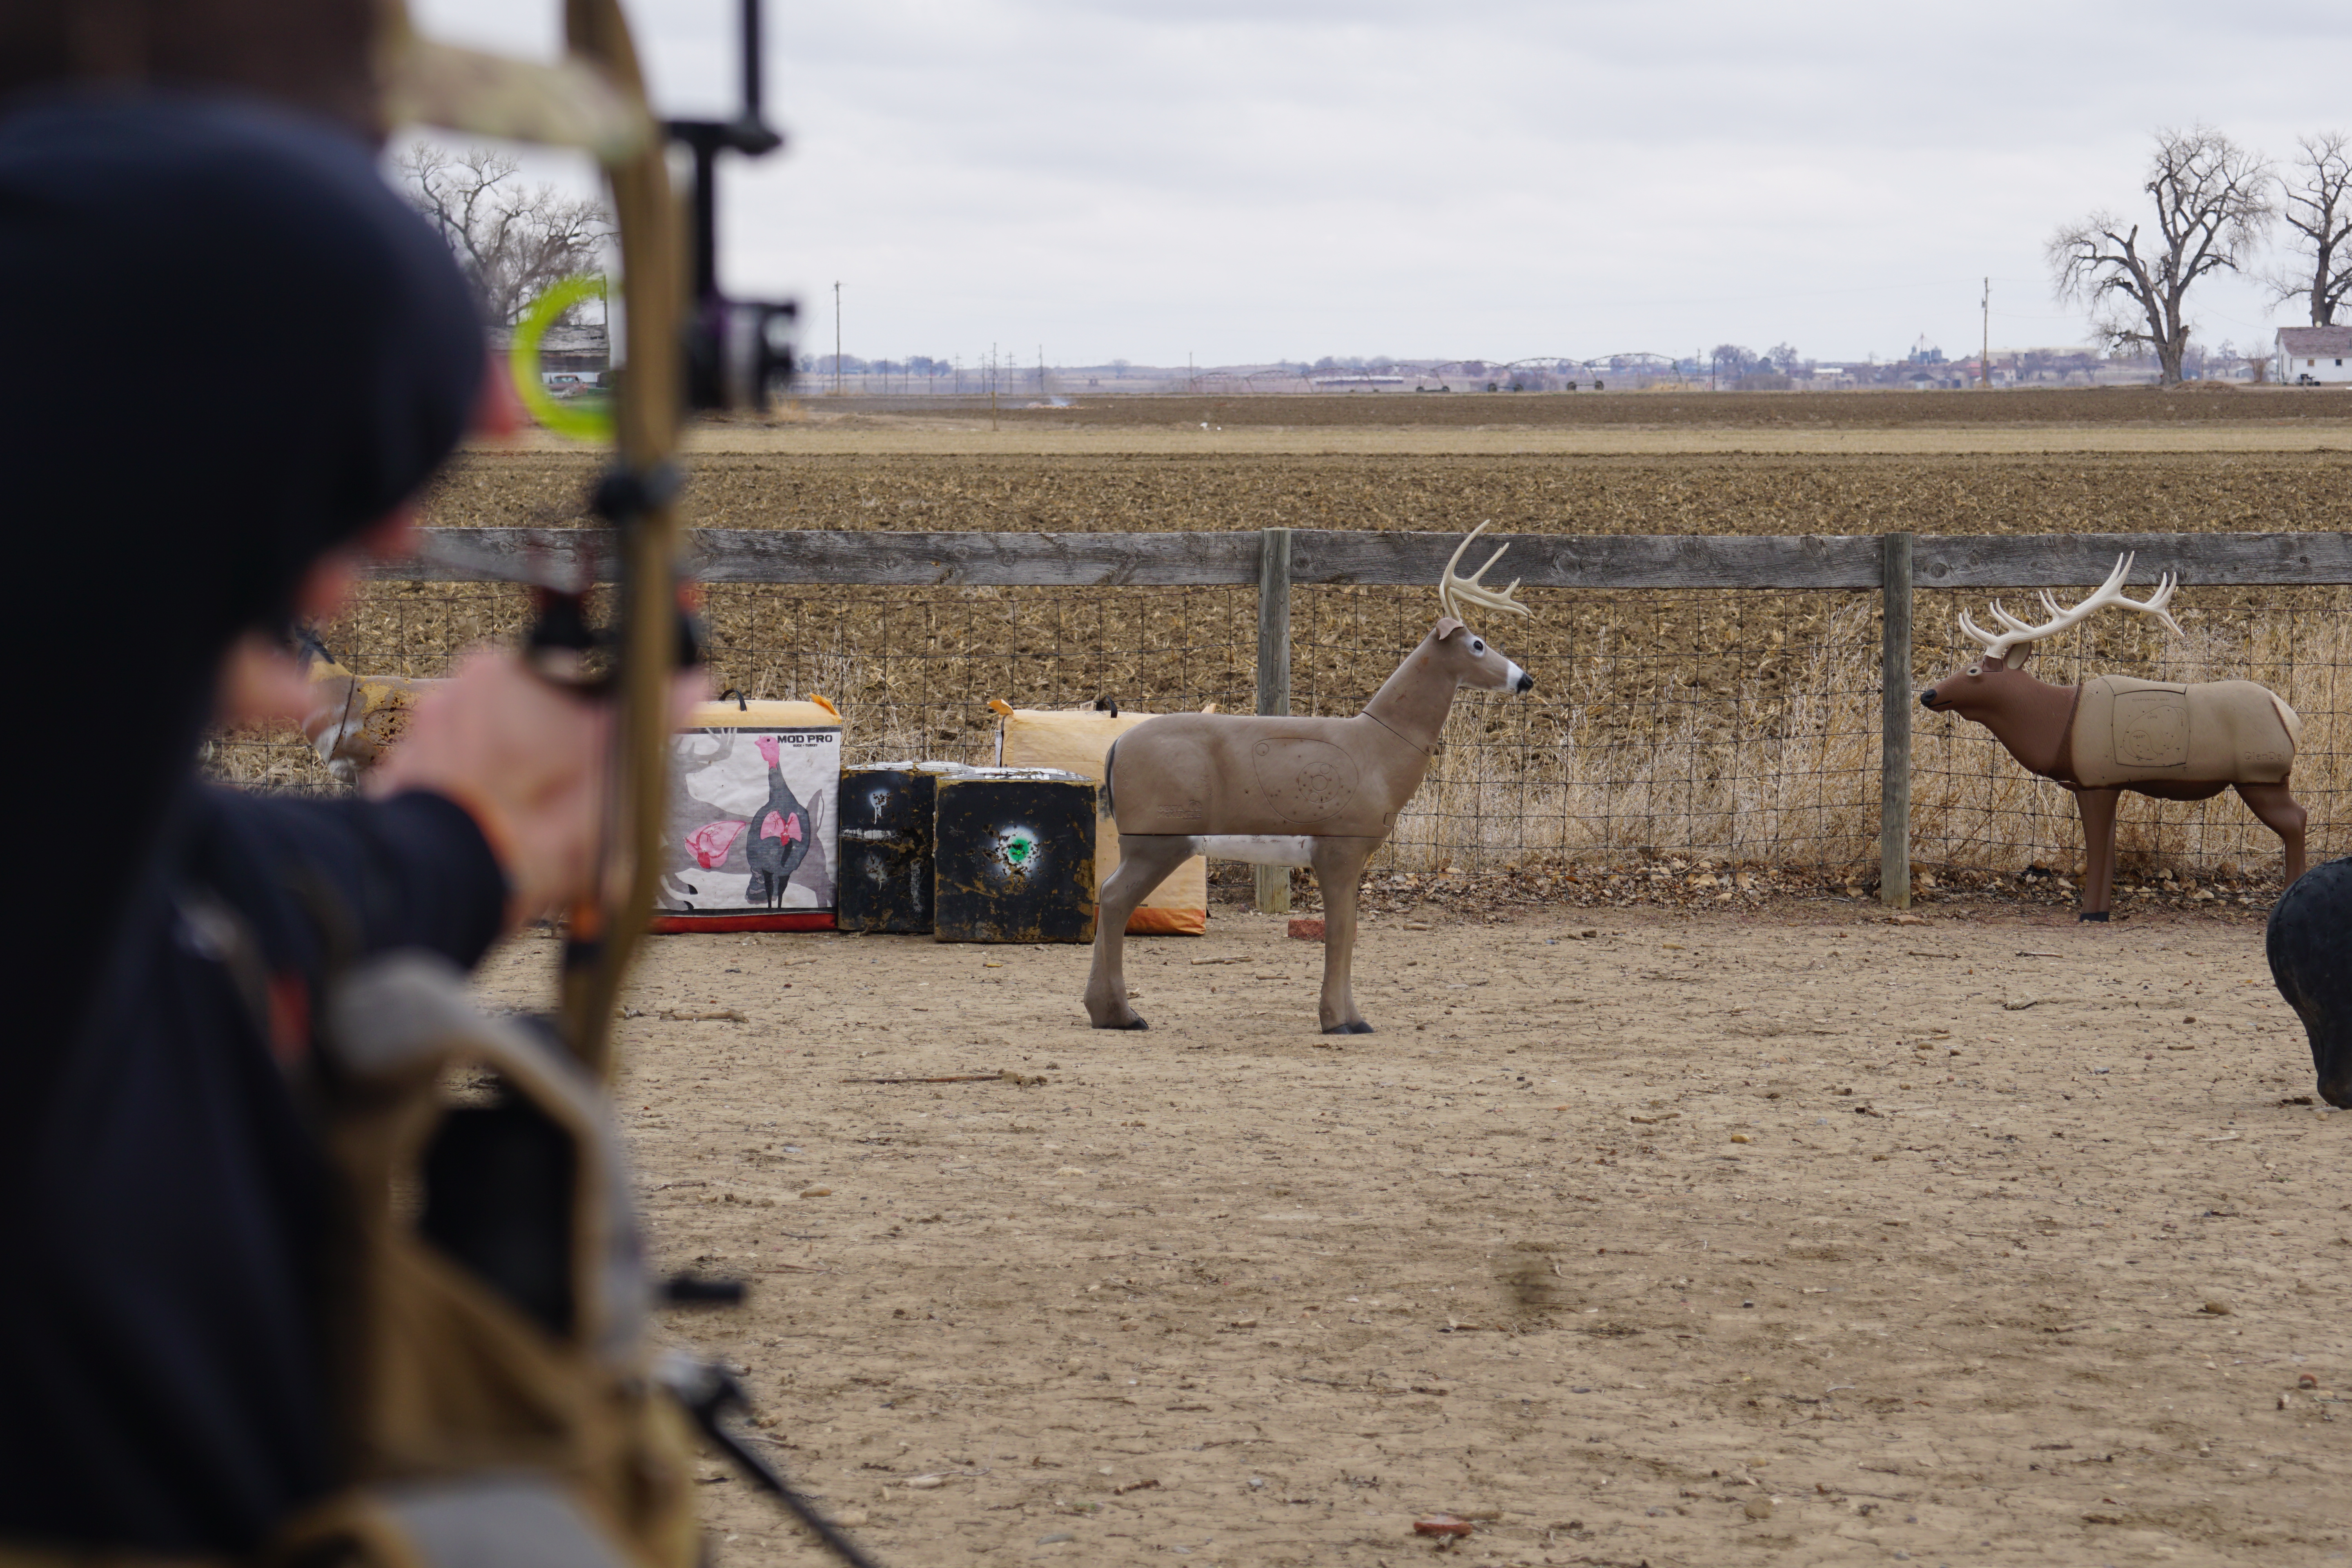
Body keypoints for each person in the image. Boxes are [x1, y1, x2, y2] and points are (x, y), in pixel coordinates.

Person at [0, 54, 677, 1564]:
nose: (393, 529)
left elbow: (252, 883)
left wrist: (479, 832)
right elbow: (261, 252)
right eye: (356, 462)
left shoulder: (139, 891)